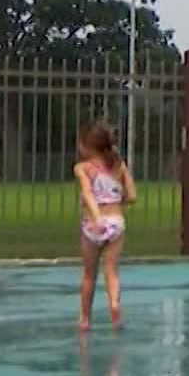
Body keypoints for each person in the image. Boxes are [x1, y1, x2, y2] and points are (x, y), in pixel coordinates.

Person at [72, 122, 136, 333]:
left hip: (93, 223)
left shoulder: (83, 168)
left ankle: (84, 319)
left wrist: (97, 216)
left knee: (89, 274)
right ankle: (115, 307)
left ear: (87, 146)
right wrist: (117, 201)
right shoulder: (119, 166)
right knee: (112, 271)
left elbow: (88, 193)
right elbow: (132, 196)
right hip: (116, 222)